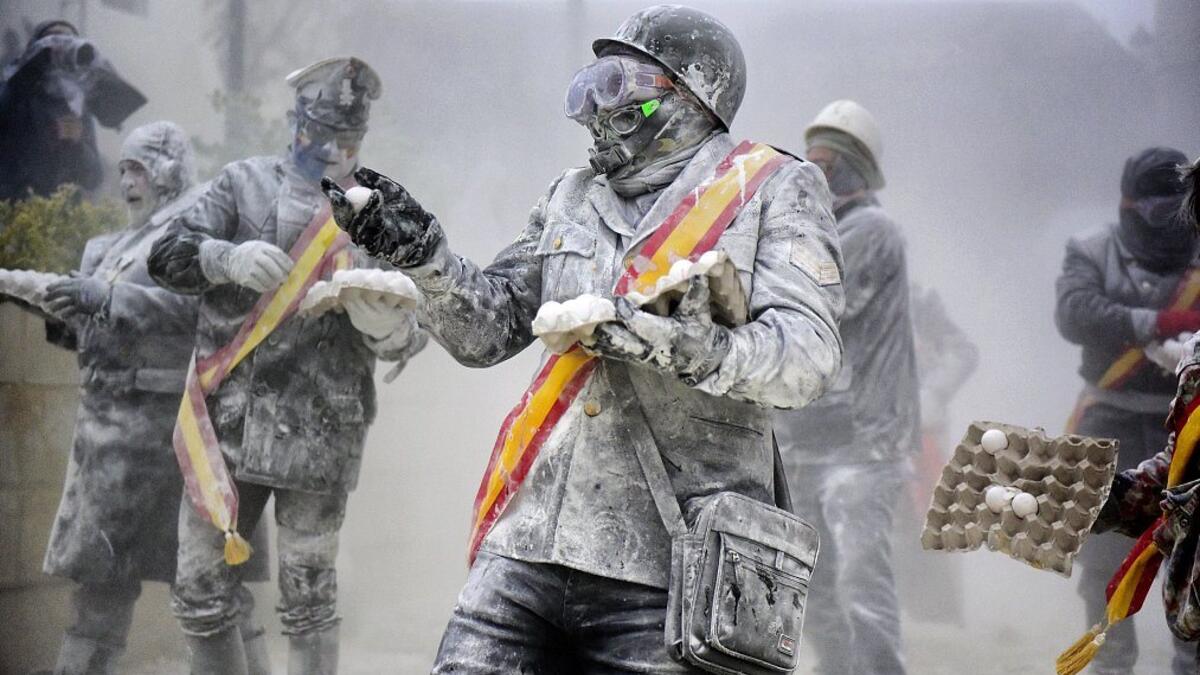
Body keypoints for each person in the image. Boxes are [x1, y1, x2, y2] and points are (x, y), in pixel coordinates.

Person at [323, 6, 845, 672]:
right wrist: (423, 255)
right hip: (531, 544)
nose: (593, 107)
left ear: (690, 95)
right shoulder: (570, 195)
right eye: (590, 84)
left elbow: (809, 356)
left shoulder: (772, 188)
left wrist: (693, 347)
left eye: (617, 84)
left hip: (672, 565)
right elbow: (488, 331)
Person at [147, 57, 426, 674]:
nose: (334, 151)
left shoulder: (380, 210)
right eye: (322, 135)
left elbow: (417, 320)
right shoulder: (241, 185)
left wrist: (388, 327)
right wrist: (223, 258)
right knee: (199, 591)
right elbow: (164, 256)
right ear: (297, 124)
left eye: (349, 139)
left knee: (309, 601)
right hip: (228, 425)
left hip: (322, 430)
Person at [35, 121, 268, 675]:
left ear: (167, 170)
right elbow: (94, 331)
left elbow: (199, 312)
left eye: (137, 169)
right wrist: (68, 312)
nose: (126, 183)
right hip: (112, 440)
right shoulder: (111, 246)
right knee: (101, 585)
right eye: (122, 170)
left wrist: (109, 299)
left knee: (214, 586)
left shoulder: (194, 233)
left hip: (181, 437)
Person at [771, 99, 919, 675]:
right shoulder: (813, 235)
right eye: (811, 163)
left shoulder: (873, 232)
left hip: (865, 442)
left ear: (857, 169)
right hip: (808, 438)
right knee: (809, 578)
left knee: (861, 580)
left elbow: (817, 303)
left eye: (828, 166)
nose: (817, 176)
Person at [1055, 146, 1197, 674]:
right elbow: (1075, 312)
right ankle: (1110, 662)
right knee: (1099, 553)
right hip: (1110, 410)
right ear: (1130, 203)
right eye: (1154, 207)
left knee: (1193, 553)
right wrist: (1154, 325)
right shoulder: (1093, 249)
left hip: (1188, 421)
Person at [0, 19, 146, 201]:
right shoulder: (15, 90)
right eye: (53, 38)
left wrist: (78, 144)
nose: (61, 45)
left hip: (60, 212)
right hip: (14, 207)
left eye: (68, 39)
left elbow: (93, 179)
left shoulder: (76, 105)